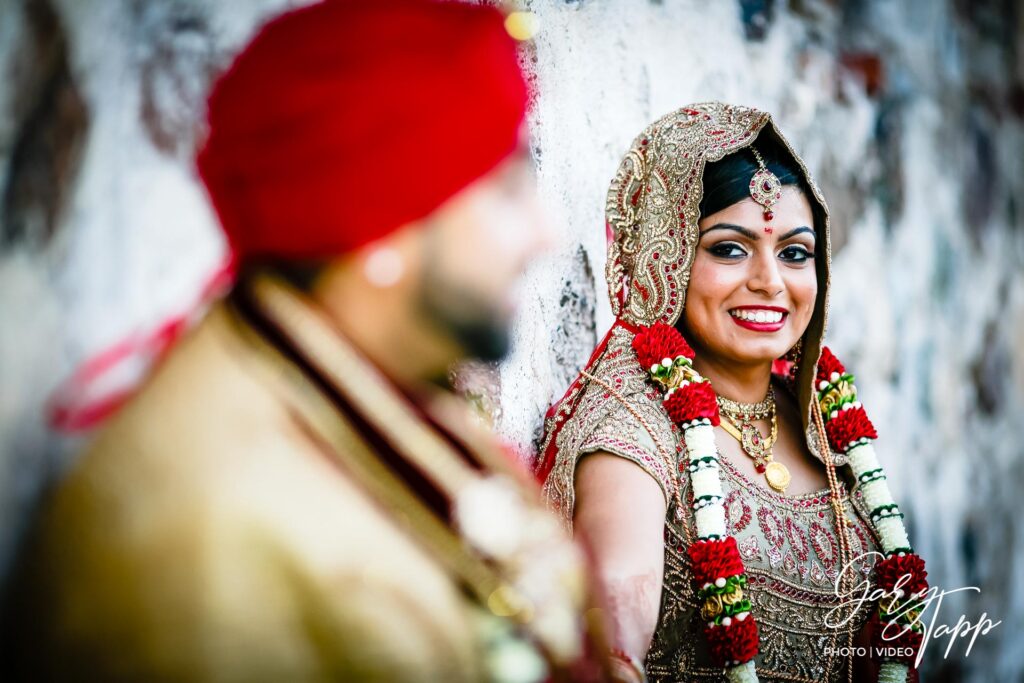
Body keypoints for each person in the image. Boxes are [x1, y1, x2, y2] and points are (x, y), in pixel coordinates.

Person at [4, 1, 607, 681]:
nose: (546, 233)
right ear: (381, 223)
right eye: (504, 189)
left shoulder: (349, 365)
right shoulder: (207, 545)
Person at [537, 103, 929, 682]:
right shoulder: (632, 423)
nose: (770, 281)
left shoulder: (824, 420)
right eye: (729, 248)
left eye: (795, 253)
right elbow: (615, 620)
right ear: (666, 260)